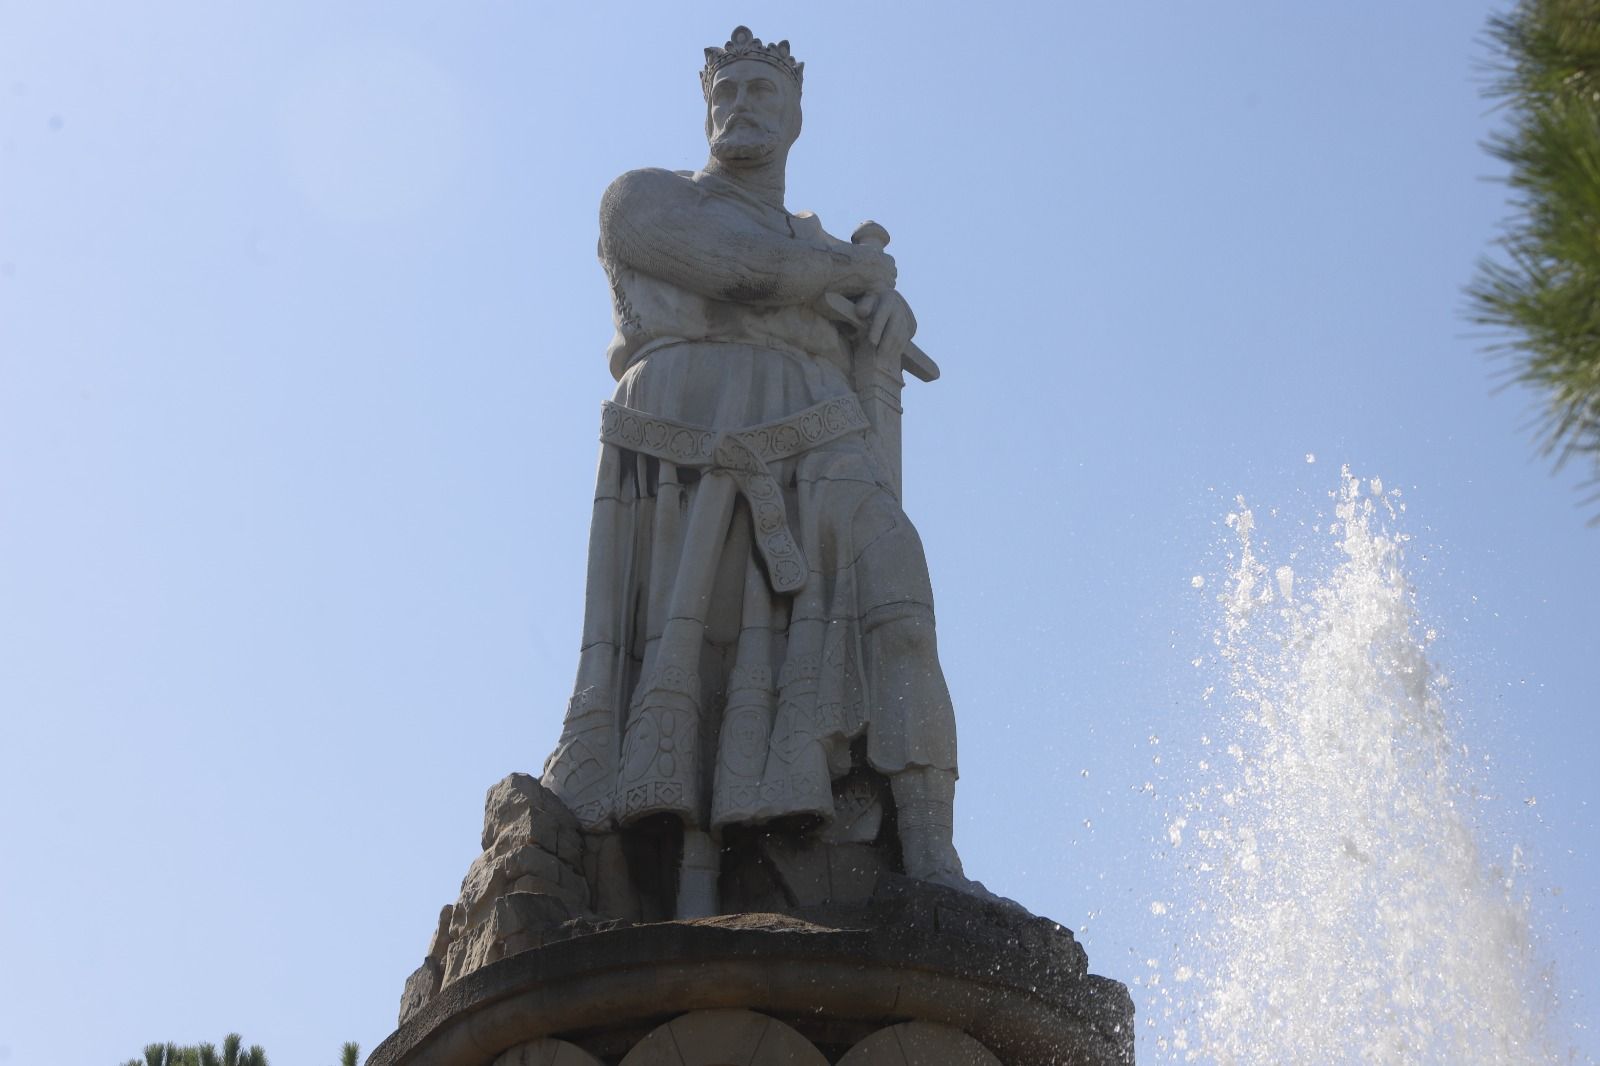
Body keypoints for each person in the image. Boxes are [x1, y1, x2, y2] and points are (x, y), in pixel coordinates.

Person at [541, 27, 981, 917]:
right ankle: (685, 874)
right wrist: (850, 275)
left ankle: (929, 856)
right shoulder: (643, 197)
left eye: (762, 92)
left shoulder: (830, 265)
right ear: (707, 108)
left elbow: (871, 433)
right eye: (727, 91)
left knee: (900, 591)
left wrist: (878, 347)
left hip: (819, 444)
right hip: (683, 447)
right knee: (692, 668)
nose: (741, 105)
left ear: (796, 116)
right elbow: (741, 270)